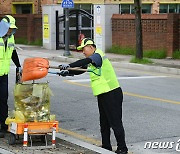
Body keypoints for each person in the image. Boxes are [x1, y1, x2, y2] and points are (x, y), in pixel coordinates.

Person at [59, 38, 128, 154]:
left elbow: (84, 62)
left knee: (115, 122)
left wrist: (69, 65)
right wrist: (68, 72)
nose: (83, 52)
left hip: (112, 92)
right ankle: (106, 146)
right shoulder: (92, 61)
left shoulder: (98, 55)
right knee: (104, 123)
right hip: (103, 94)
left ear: (91, 47)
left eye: (84, 49)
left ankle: (123, 148)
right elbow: (82, 69)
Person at [0, 15, 21, 138]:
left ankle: (3, 126)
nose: (10, 31)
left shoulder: (11, 38)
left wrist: (18, 66)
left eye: (12, 29)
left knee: (3, 99)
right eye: (8, 28)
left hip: (4, 75)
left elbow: (13, 53)